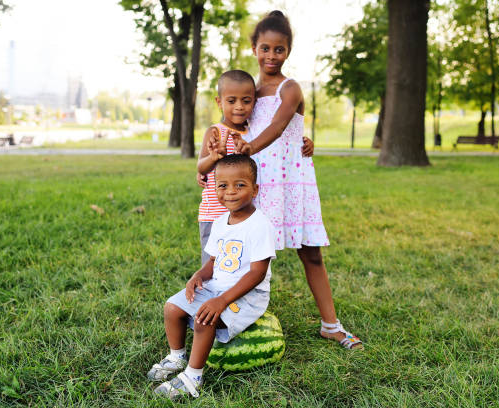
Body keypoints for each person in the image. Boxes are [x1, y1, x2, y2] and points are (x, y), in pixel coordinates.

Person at [243, 10, 363, 350]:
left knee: (310, 253)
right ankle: (243, 319)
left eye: (278, 49)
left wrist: (255, 145)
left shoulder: (290, 88)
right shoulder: (248, 90)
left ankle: (331, 325)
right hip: (260, 182)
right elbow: (233, 119)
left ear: (287, 52)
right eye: (265, 48)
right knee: (255, 253)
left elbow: (280, 125)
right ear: (254, 47)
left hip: (293, 182)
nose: (271, 56)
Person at [149, 154, 276, 400]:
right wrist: (198, 275)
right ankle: (177, 357)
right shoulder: (219, 222)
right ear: (214, 188)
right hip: (217, 287)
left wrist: (223, 300)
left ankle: (193, 377)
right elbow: (214, 262)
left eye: (240, 185)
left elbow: (258, 273)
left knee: (204, 319)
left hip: (248, 296)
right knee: (172, 308)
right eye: (223, 185)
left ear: (255, 189)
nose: (230, 192)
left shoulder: (260, 225)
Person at [197, 70, 254, 265]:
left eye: (246, 101)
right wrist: (213, 157)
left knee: (238, 263)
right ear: (219, 102)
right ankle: (210, 295)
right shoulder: (215, 132)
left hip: (243, 214)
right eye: (231, 101)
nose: (239, 107)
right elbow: (201, 167)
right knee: (211, 265)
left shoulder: (254, 134)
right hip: (214, 214)